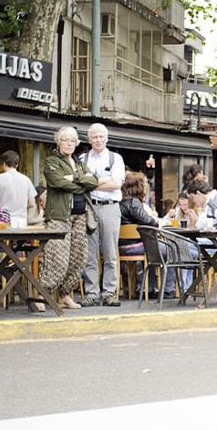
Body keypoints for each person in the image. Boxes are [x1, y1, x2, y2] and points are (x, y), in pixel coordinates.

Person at [39, 126, 98, 310]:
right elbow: (58, 182)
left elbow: (93, 181)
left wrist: (73, 178)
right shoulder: (51, 161)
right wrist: (81, 182)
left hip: (80, 215)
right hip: (59, 215)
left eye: (73, 141)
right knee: (57, 257)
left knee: (78, 258)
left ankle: (65, 295)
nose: (69, 144)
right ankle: (43, 295)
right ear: (58, 142)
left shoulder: (79, 163)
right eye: (66, 140)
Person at [81, 123, 126, 307]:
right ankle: (91, 293)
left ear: (106, 138)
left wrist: (92, 182)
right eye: (94, 137)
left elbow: (116, 184)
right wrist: (102, 181)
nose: (98, 140)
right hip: (89, 207)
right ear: (89, 139)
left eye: (101, 136)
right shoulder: (83, 159)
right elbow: (81, 183)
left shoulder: (115, 158)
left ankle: (109, 293)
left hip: (110, 207)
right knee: (90, 254)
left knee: (110, 252)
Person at [119, 171, 177, 299]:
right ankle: (168, 290)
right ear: (138, 185)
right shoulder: (134, 203)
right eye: (144, 182)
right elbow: (148, 222)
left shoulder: (119, 202)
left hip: (123, 246)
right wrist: (155, 220)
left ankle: (148, 288)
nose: (146, 185)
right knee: (170, 249)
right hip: (136, 246)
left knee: (153, 251)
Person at [0, 150, 37, 229]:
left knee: (3, 241)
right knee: (19, 241)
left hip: (3, 220)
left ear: (4, 163)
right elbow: (32, 203)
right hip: (21, 221)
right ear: (17, 164)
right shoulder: (26, 179)